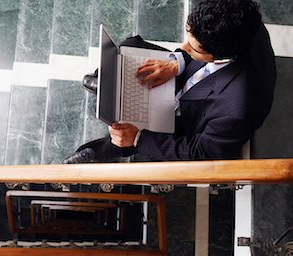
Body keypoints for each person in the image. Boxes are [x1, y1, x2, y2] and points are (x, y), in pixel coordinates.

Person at [63, 0, 276, 163]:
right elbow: (190, 47)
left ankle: (100, 151)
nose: (184, 47)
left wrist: (138, 139)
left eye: (194, 49)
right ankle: (112, 85)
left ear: (217, 55)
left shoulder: (237, 110)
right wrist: (179, 62)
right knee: (131, 46)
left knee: (129, 136)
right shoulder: (236, 15)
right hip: (196, 77)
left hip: (196, 116)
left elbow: (203, 151)